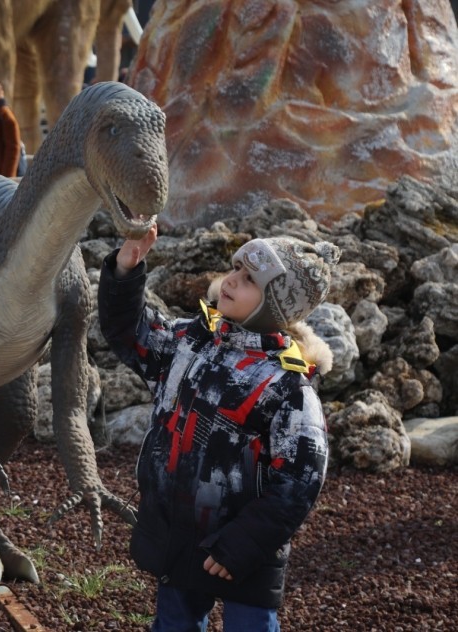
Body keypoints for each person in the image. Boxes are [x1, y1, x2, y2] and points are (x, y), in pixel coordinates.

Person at [98, 226, 339, 631]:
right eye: (235, 268)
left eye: (249, 280)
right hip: (180, 531)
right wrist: (126, 270)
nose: (231, 281)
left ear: (276, 307)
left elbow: (299, 480)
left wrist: (244, 544)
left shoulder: (287, 386)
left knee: (250, 625)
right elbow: (130, 334)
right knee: (175, 622)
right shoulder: (190, 342)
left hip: (245, 548)